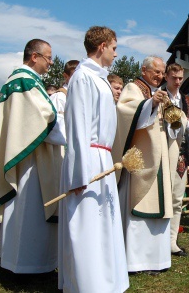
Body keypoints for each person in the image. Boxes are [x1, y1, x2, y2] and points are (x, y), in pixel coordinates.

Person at [0, 39, 66, 275]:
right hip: (28, 160)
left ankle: (31, 263)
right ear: (34, 56)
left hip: (33, 155)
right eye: (48, 57)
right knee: (27, 211)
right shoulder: (24, 82)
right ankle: (24, 266)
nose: (50, 62)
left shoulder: (29, 81)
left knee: (29, 212)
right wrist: (74, 133)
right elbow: (43, 119)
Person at [58, 26, 129, 292]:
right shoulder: (83, 77)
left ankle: (106, 280)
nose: (115, 53)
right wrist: (79, 173)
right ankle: (87, 284)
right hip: (87, 158)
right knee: (87, 223)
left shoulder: (100, 78)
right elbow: (77, 125)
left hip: (102, 158)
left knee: (104, 220)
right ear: (101, 46)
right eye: (114, 47)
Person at [112, 56, 173, 273]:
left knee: (160, 203)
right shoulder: (133, 88)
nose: (159, 76)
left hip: (159, 157)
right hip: (141, 159)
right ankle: (135, 260)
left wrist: (170, 114)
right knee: (137, 205)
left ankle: (157, 259)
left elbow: (171, 123)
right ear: (143, 70)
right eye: (156, 71)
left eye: (162, 72)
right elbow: (124, 112)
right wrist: (150, 104)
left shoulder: (162, 92)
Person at [162, 63, 189, 257]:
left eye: (180, 78)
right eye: (174, 77)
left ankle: (172, 241)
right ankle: (158, 239)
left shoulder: (185, 100)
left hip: (179, 154)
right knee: (160, 197)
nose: (178, 81)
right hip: (161, 153)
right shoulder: (158, 95)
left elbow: (187, 130)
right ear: (166, 77)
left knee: (176, 198)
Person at [49, 59, 79, 139]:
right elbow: (55, 126)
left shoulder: (80, 96)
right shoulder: (59, 97)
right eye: (75, 76)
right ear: (66, 76)